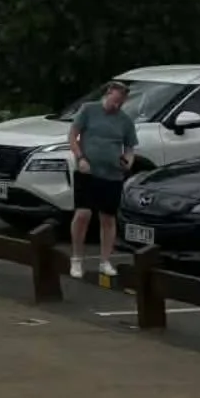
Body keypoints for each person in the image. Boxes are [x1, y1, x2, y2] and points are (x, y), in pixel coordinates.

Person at [68, 78, 137, 279]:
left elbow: (130, 148)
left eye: (121, 103)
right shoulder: (89, 110)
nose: (117, 106)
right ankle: (76, 258)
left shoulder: (125, 121)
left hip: (112, 174)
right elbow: (72, 136)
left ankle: (105, 260)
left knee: (107, 217)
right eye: (115, 101)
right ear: (108, 94)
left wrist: (128, 161)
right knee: (83, 214)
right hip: (87, 171)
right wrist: (80, 157)